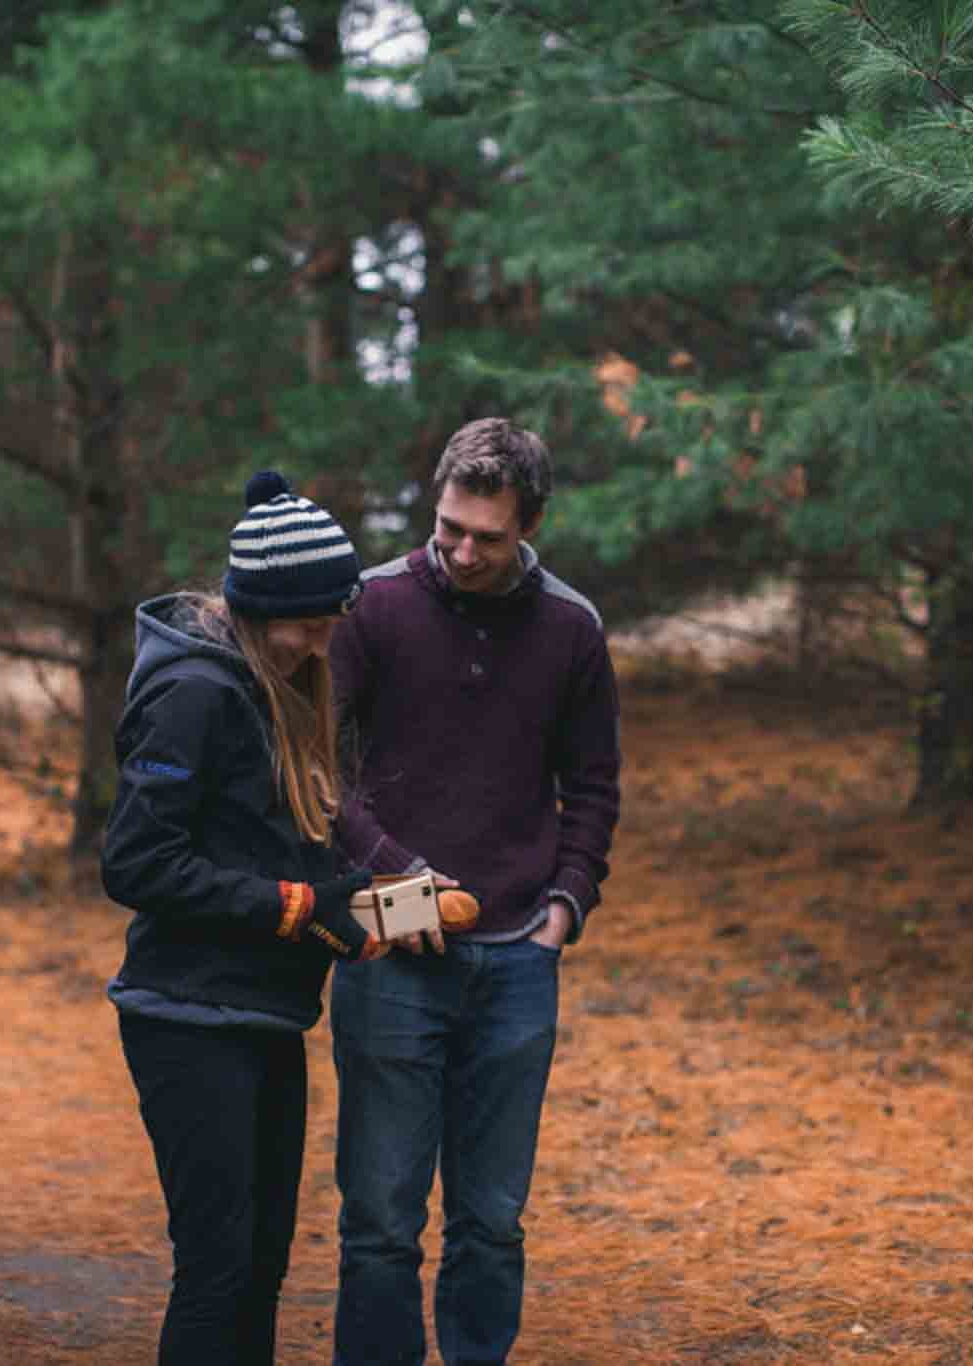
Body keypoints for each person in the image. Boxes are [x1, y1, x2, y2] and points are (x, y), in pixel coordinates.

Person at [327, 417, 622, 1365]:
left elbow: (595, 784)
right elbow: (319, 771)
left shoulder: (571, 628)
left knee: (492, 1221)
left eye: (486, 538)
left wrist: (566, 905)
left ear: (532, 523)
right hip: (393, 941)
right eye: (448, 527)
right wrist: (391, 871)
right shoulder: (371, 606)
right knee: (379, 1219)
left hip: (516, 956)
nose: (459, 551)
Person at [100, 470, 379, 1365]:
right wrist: (297, 908)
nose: (323, 638)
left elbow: (258, 842)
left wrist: (357, 898)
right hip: (186, 1019)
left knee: (260, 1268)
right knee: (217, 1270)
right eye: (308, 622)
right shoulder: (194, 693)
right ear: (257, 612)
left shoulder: (270, 684)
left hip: (261, 1015)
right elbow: (138, 862)